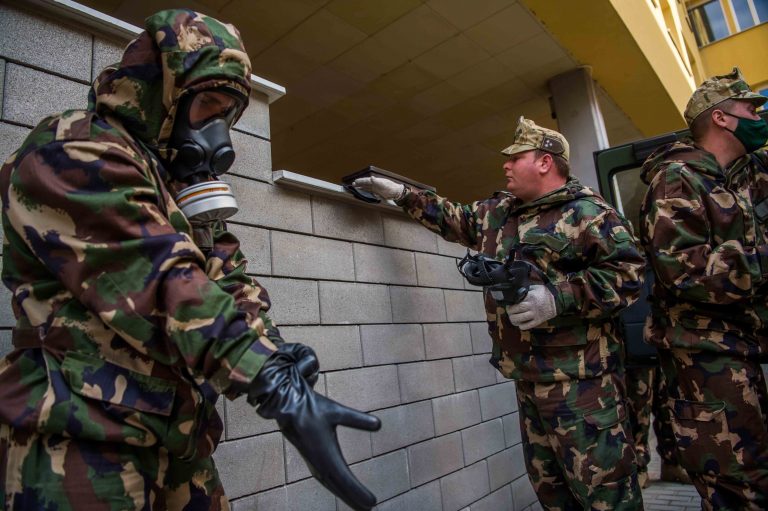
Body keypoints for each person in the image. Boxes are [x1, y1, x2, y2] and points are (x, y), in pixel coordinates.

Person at [0, 9, 380, 511]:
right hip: (80, 442)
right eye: (207, 106)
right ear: (163, 90)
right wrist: (272, 386)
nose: (216, 133)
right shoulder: (74, 147)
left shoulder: (170, 185)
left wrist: (277, 354)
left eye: (227, 116)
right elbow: (165, 281)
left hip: (176, 438)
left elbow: (228, 278)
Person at [353, 117, 646, 510]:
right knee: (553, 492)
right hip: (528, 378)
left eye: (516, 158)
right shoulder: (501, 213)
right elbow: (453, 217)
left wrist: (557, 298)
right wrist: (402, 193)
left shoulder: (587, 214)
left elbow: (629, 274)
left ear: (545, 162)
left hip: (583, 384)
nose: (505, 165)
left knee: (606, 494)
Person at [639, 67, 768, 509]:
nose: (758, 114)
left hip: (747, 347)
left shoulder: (745, 174)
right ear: (721, 118)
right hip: (708, 359)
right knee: (739, 487)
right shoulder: (678, 180)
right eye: (750, 107)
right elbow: (685, 272)